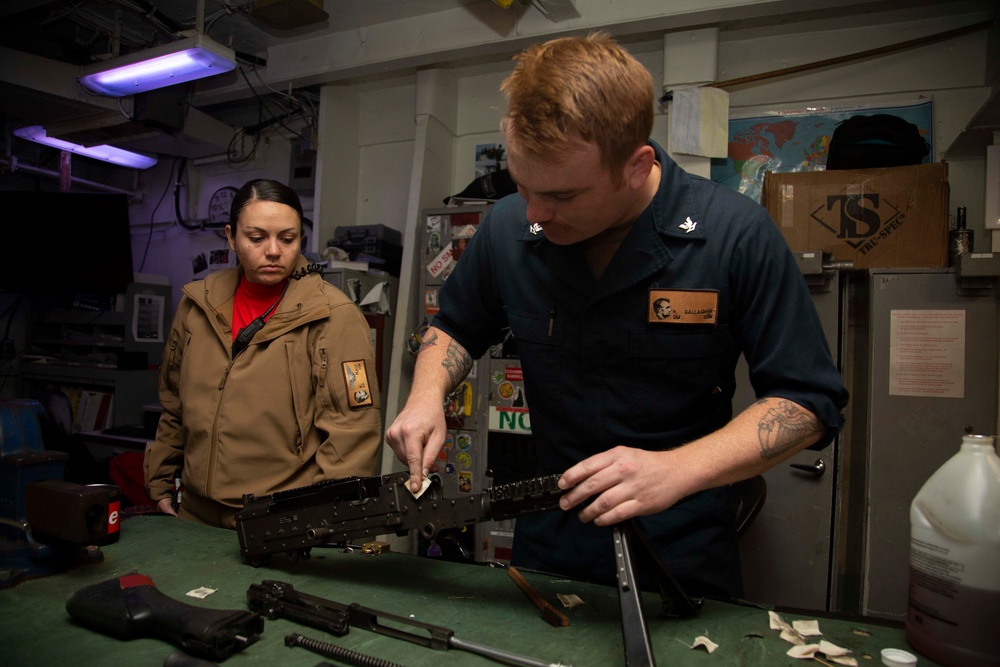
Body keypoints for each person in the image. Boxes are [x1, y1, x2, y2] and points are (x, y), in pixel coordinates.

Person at [385, 33, 848, 598]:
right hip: (548, 544)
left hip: (679, 554)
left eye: (562, 196)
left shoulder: (735, 236)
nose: (535, 213)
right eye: (522, 186)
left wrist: (678, 469)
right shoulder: (510, 228)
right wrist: (425, 395)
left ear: (637, 165)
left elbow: (806, 403)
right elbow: (454, 326)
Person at [144, 179, 382, 529]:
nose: (273, 251)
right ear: (231, 236)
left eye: (288, 239)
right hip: (194, 515)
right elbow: (174, 407)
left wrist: (320, 521)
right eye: (256, 238)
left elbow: (352, 435)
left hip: (278, 522)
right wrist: (160, 478)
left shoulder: (334, 316)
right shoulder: (197, 306)